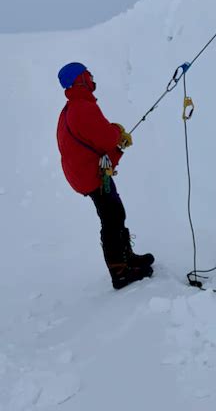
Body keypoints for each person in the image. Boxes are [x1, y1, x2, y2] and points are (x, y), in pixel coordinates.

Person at [56, 62, 154, 290]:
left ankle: (126, 257)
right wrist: (118, 134)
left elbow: (95, 140)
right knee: (112, 217)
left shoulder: (73, 107)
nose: (91, 77)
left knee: (115, 213)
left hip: (88, 173)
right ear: (80, 79)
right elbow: (106, 139)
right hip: (92, 175)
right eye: (88, 74)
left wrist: (115, 143)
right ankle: (120, 271)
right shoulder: (82, 107)